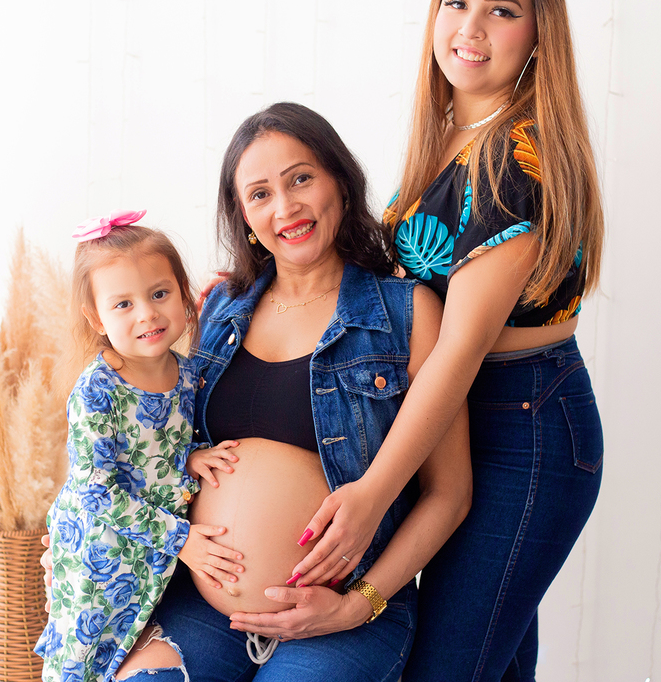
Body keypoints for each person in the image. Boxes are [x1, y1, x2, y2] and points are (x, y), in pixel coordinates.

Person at [49, 102, 471, 681]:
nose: (286, 208)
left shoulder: (408, 315)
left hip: (341, 615)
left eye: (301, 179)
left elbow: (449, 494)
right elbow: (149, 444)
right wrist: (86, 540)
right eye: (260, 194)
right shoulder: (218, 309)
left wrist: (359, 603)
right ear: (245, 215)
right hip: (203, 605)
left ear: (340, 182)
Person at [286, 0, 605, 680]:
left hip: (522, 430)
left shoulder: (515, 160)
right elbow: (396, 279)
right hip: (459, 417)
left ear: (539, 35)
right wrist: (261, 285)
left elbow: (458, 352)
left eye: (502, 11)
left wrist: (372, 495)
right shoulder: (452, 135)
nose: (471, 28)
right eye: (457, 3)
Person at [34, 210, 244, 682]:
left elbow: (154, 450)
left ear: (184, 294)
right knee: (80, 660)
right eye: (123, 304)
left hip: (147, 557)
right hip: (97, 553)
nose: (147, 313)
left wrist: (189, 457)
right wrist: (180, 539)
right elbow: (96, 490)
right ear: (96, 317)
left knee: (122, 652)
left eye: (159, 294)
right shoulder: (98, 390)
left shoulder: (186, 374)